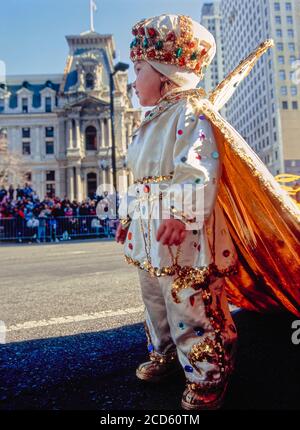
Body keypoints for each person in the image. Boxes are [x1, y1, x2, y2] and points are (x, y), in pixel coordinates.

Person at [116, 14, 300, 410]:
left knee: (190, 301)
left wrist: (180, 215)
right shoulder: (150, 121)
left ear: (165, 74)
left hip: (184, 236)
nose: (133, 79)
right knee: (154, 299)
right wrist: (130, 219)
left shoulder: (189, 114)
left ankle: (208, 373)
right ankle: (164, 352)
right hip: (150, 234)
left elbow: (199, 169)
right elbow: (142, 179)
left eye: (139, 69)